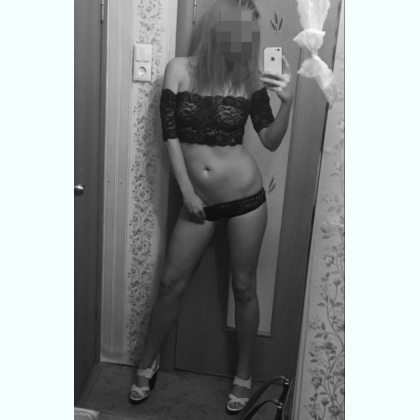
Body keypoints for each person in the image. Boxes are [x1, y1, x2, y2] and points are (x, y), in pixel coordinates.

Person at [129, 0, 293, 413]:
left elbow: (270, 140)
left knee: (244, 287)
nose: (246, 37)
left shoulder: (249, 78)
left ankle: (244, 374)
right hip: (196, 198)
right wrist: (186, 191)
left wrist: (288, 102)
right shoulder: (179, 69)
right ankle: (147, 363)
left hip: (245, 199)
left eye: (251, 30)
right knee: (171, 282)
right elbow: (169, 135)